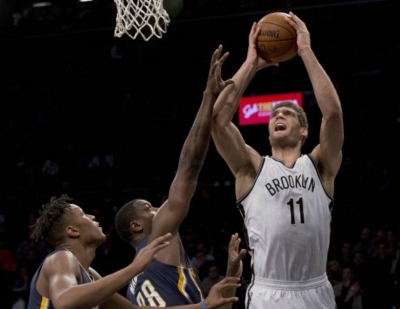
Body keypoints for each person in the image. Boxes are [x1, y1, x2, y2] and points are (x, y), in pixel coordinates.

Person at [211, 11, 343, 309]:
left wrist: (305, 51)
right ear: (269, 133)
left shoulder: (321, 165)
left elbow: (333, 113)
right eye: (274, 115)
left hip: (316, 289)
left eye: (288, 113)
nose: (278, 115)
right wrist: (251, 65)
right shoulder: (252, 167)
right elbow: (217, 121)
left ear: (304, 130)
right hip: (269, 292)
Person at [115, 45, 246, 306]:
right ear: (137, 226)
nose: (158, 208)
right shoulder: (158, 238)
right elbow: (190, 165)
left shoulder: (133, 284)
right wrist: (208, 96)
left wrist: (230, 275)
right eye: (149, 208)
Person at [27, 194, 242, 309]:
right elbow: (65, 301)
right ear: (72, 231)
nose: (92, 217)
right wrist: (134, 267)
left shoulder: (91, 278)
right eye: (84, 214)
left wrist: (203, 306)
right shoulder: (61, 258)